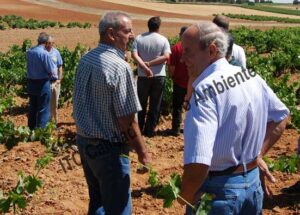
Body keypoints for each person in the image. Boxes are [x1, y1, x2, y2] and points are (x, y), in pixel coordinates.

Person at [178, 22, 290, 215]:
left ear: (211, 50)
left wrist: (184, 196)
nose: (182, 59)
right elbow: (281, 116)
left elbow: (199, 162)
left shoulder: (205, 90)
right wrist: (258, 155)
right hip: (252, 185)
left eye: (188, 52)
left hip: (218, 193)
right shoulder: (251, 76)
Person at [73, 11, 150, 215]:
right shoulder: (119, 67)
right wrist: (142, 151)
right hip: (109, 150)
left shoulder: (86, 59)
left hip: (85, 143)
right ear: (111, 34)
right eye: (128, 31)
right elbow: (127, 120)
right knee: (118, 206)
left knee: (97, 201)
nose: (132, 35)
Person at [132, 16, 171, 137]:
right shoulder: (163, 40)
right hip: (159, 76)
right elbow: (166, 57)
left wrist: (144, 66)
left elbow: (134, 55)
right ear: (158, 26)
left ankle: (138, 129)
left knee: (141, 102)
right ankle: (150, 131)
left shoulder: (139, 38)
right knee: (155, 104)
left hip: (143, 76)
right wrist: (150, 64)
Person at [27, 32, 56, 130]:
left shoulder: (30, 51)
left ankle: (31, 128)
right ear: (46, 43)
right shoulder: (45, 54)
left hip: (31, 83)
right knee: (43, 108)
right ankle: (41, 130)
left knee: (32, 106)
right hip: (42, 83)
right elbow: (51, 70)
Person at [168, 26, 189, 136]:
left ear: (181, 35)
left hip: (179, 82)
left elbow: (172, 66)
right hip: (192, 83)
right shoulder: (196, 48)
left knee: (177, 106)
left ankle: (175, 129)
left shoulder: (176, 48)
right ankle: (189, 129)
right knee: (192, 107)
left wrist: (172, 77)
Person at [45, 35, 63, 126]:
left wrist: (59, 79)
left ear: (53, 43)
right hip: (45, 82)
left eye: (51, 43)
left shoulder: (56, 52)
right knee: (46, 104)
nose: (49, 45)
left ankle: (55, 123)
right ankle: (46, 123)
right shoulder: (42, 52)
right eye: (48, 43)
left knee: (54, 104)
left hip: (55, 82)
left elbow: (60, 67)